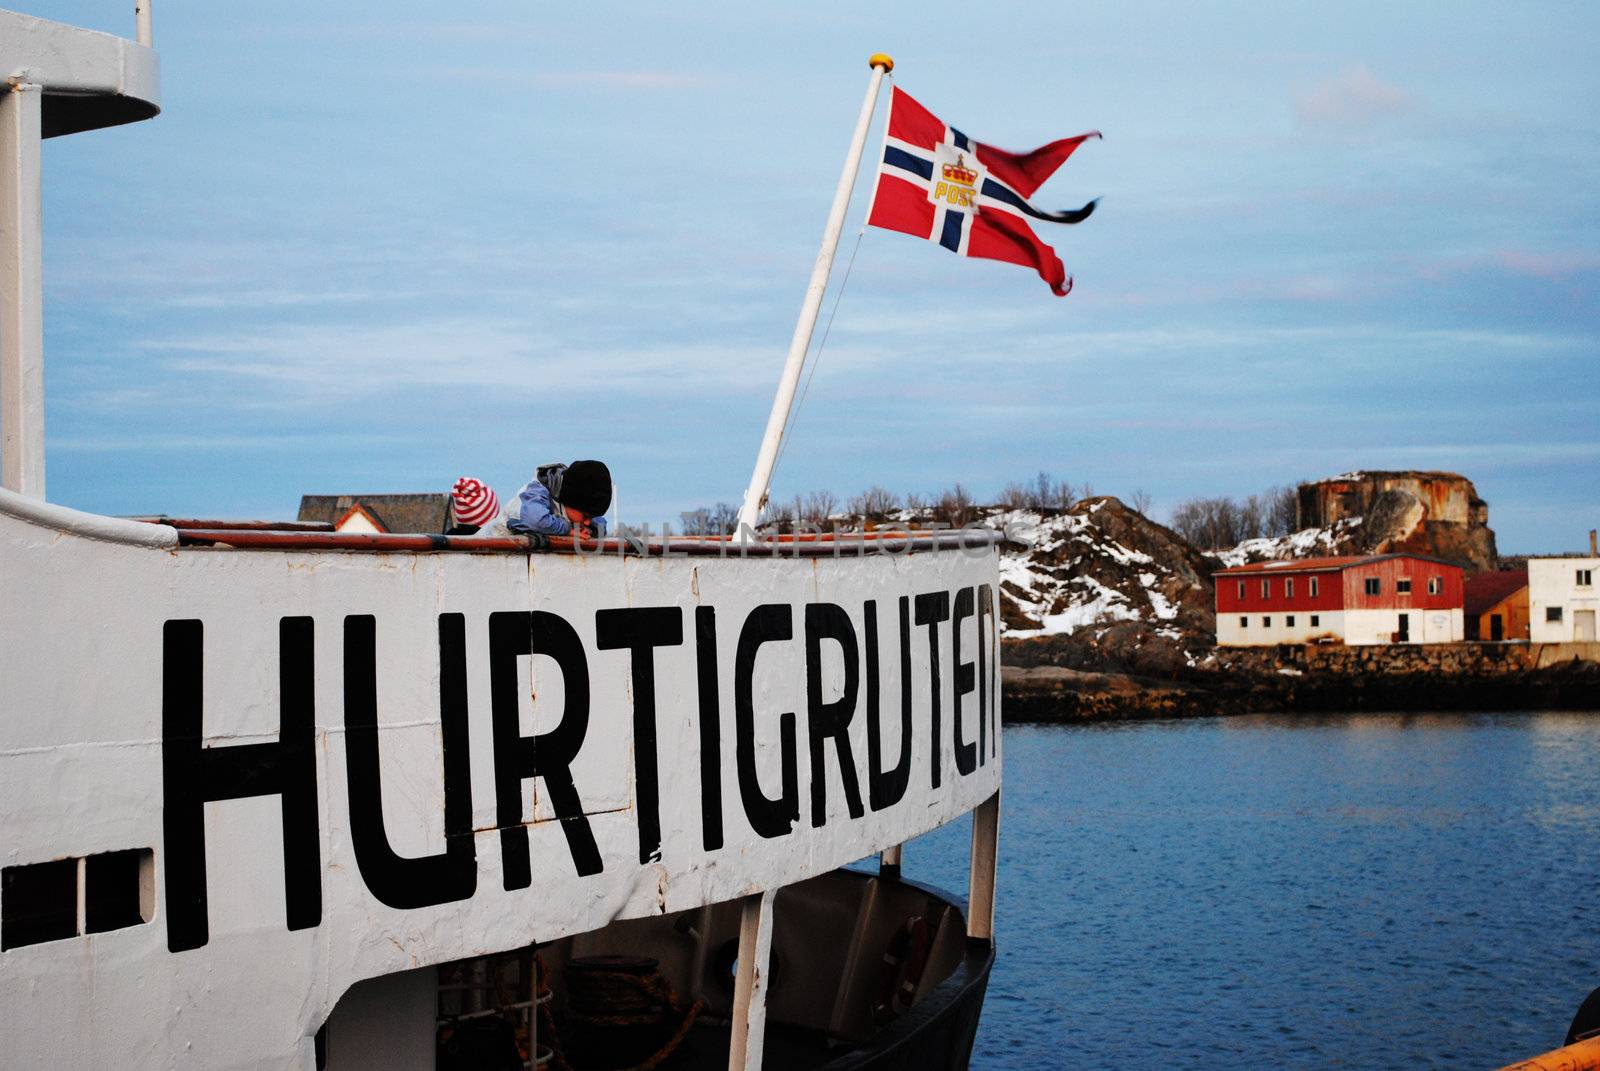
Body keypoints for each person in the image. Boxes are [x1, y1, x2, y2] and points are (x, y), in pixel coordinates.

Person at [504, 460, 611, 539]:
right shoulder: (536, 492)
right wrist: (568, 530)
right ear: (568, 500)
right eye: (586, 516)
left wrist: (592, 530)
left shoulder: (576, 505)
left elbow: (600, 524)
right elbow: (536, 521)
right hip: (500, 544)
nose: (587, 522)